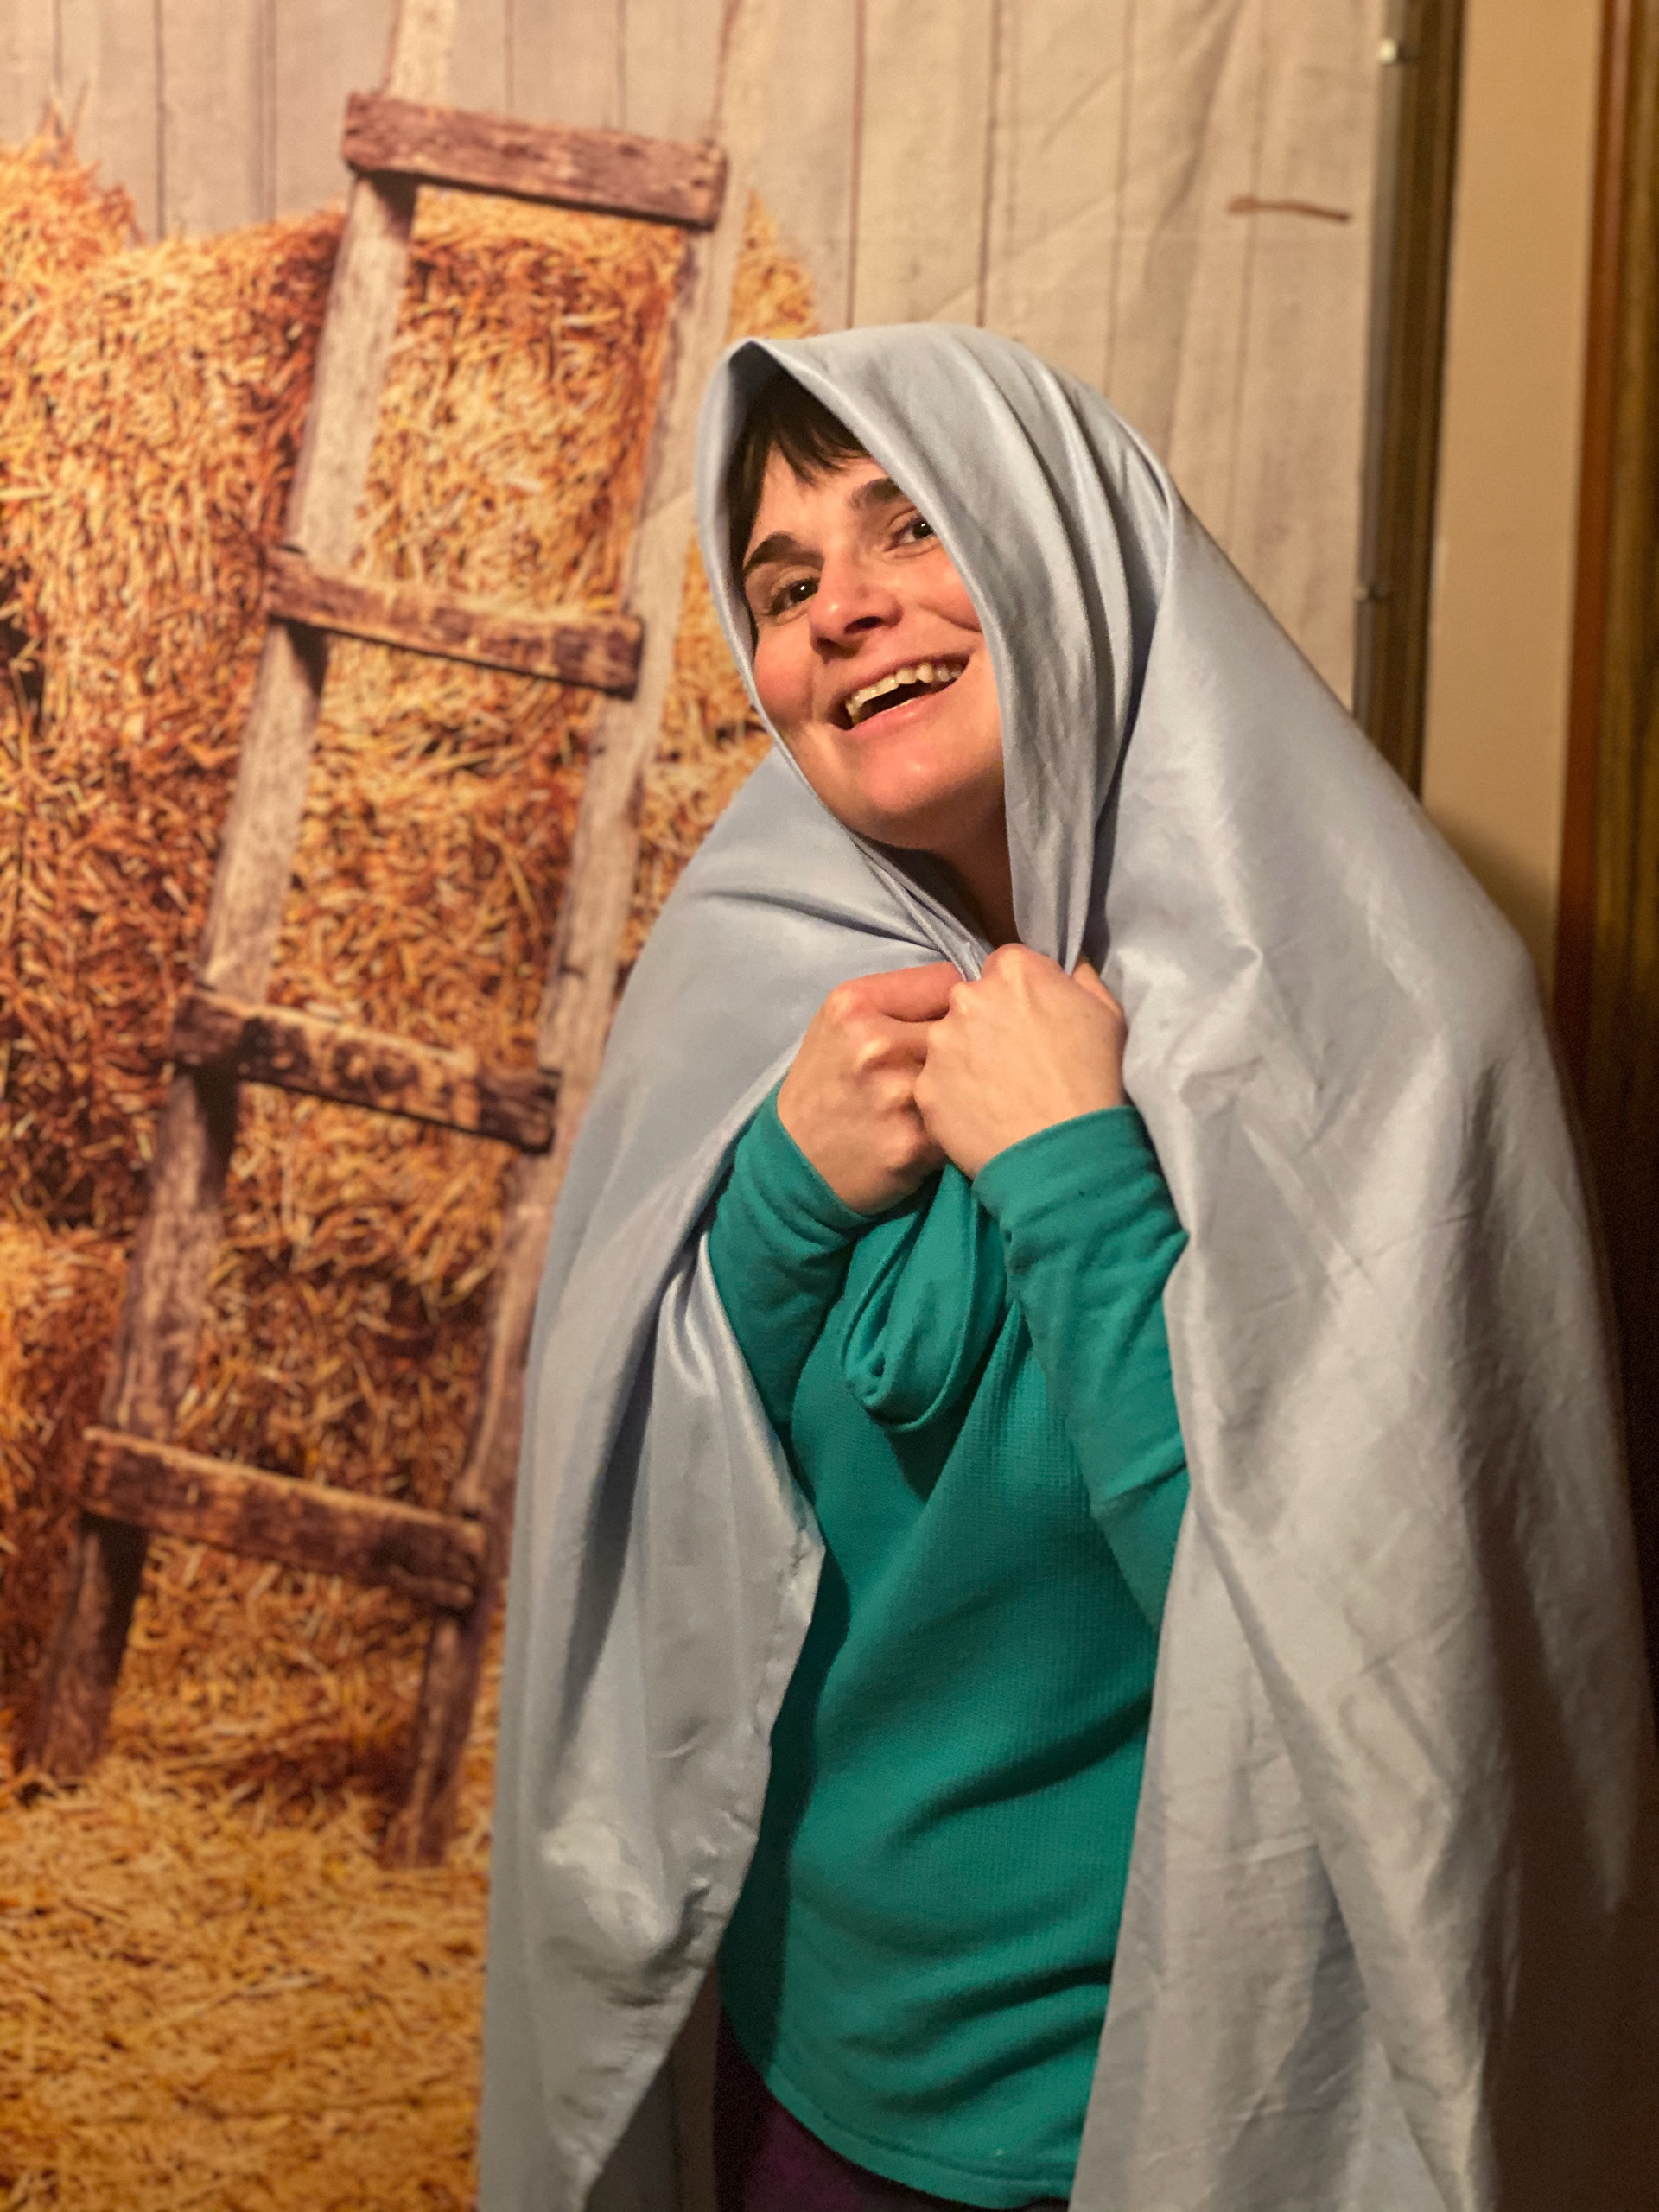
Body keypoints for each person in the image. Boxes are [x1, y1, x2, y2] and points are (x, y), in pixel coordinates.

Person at [480, 327, 1659, 2212]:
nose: (843, 610)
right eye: (781, 585)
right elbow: (653, 1514)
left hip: (1150, 2115)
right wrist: (779, 1202)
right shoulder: (759, 981)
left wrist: (1074, 1187)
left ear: (1059, 550)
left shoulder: (1395, 1019)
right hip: (798, 2074)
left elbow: (1366, 1670)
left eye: (910, 528)